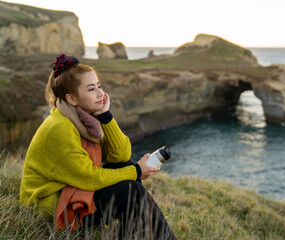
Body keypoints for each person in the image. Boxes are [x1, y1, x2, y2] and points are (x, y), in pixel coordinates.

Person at [20, 53, 177, 239]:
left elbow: (120, 154)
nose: (100, 93)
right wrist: (136, 171)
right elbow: (90, 178)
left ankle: (135, 232)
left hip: (71, 190)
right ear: (72, 99)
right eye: (91, 89)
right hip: (51, 205)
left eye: (99, 86)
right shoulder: (59, 128)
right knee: (130, 189)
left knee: (124, 165)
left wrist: (106, 115)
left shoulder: (86, 119)